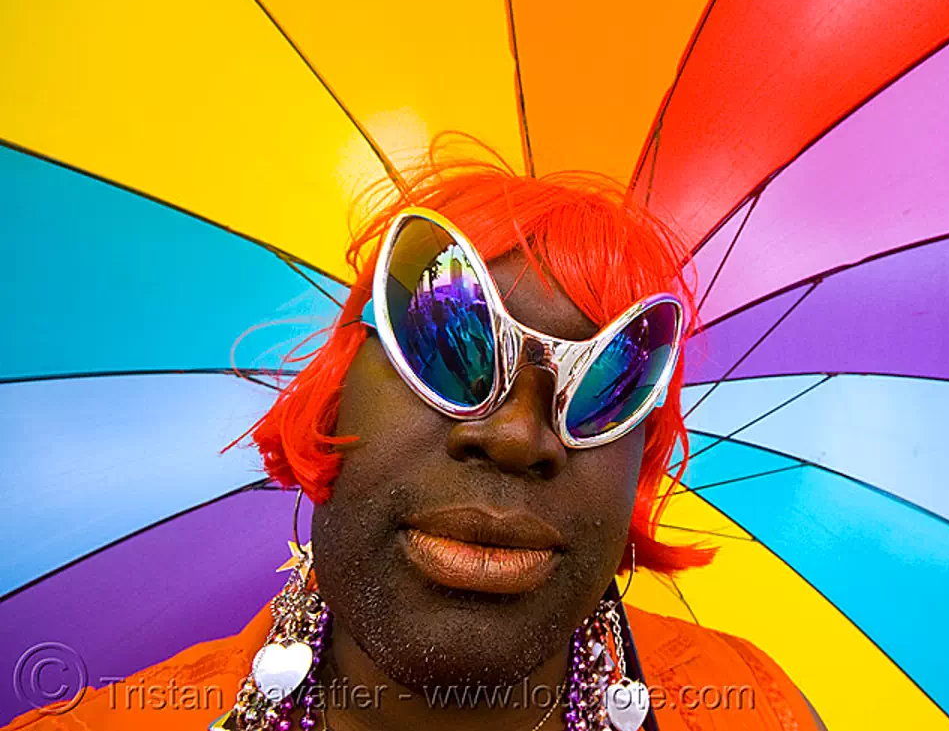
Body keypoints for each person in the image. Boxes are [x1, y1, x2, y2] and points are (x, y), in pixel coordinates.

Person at [6, 139, 825, 730]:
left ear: (637, 478)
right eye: (445, 342)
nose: (515, 436)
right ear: (327, 411)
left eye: (609, 380)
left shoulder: (752, 704)